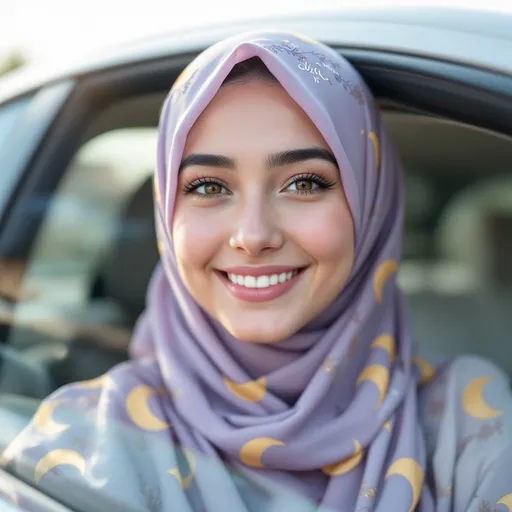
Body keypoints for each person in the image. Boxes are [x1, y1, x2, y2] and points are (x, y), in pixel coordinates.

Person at [2, 31, 512, 512]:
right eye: (207, 187)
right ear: (166, 215)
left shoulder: (466, 418)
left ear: (372, 208)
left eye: (306, 183)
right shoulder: (86, 438)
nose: (252, 234)